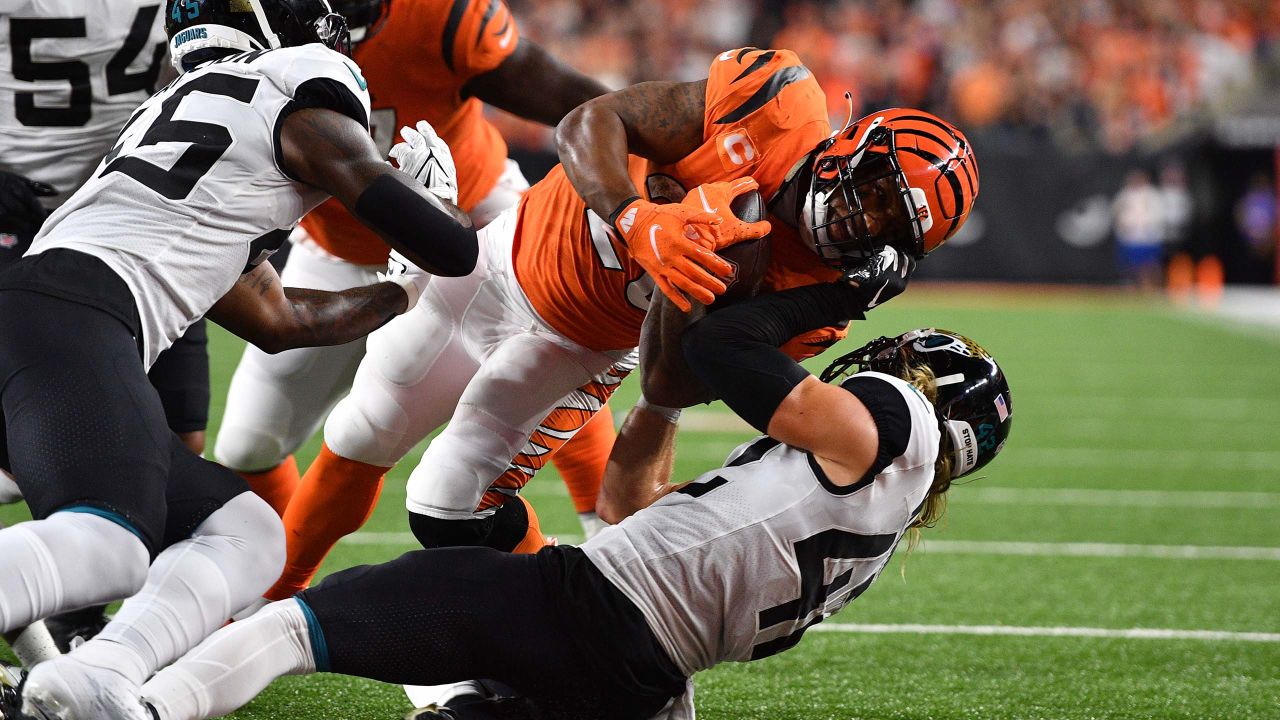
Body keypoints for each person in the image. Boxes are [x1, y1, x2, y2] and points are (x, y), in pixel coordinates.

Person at [123, 247, 1014, 720]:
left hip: (579, 608)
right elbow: (632, 509)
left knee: (303, 623)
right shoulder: (877, 522)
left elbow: (724, 350)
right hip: (639, 677)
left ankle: (139, 704)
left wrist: (836, 297)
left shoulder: (895, 423)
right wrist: (658, 407)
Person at [273, 48, 981, 605]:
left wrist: (692, 281)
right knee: (363, 428)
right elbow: (588, 122)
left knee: (444, 502)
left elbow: (680, 379)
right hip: (503, 258)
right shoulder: (773, 105)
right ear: (854, 142)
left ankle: (543, 629)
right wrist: (639, 219)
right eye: (878, 189)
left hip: (578, 347)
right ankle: (274, 596)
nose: (867, 217)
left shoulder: (826, 292)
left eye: (891, 223)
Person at [0, 0, 479, 715]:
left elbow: (275, 319)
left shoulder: (184, 120)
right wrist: (432, 206)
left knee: (245, 532)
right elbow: (454, 248)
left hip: (48, 312)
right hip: (78, 312)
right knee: (111, 541)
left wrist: (399, 293)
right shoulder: (299, 87)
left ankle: (95, 676)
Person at [213, 0, 619, 547]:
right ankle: (278, 580)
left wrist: (646, 144)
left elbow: (561, 93)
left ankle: (608, 528)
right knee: (247, 445)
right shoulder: (256, 30)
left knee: (543, 344)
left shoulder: (438, 15)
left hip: (477, 219)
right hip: (339, 249)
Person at [0, 0, 222, 656]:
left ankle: (84, 619)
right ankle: (50, 635)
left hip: (132, 216)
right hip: (19, 212)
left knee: (176, 443)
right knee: (39, 437)